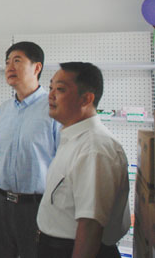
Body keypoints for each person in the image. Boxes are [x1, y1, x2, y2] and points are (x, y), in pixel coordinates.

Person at [36, 62, 129, 258]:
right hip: (54, 246)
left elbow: (90, 226)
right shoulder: (73, 138)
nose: (50, 95)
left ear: (86, 98)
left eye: (60, 89)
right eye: (50, 88)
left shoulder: (94, 149)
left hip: (72, 249)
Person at [0, 42, 60, 258]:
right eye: (7, 62)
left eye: (17, 61)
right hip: (0, 204)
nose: (10, 67)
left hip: (37, 208)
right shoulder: (4, 110)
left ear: (37, 67)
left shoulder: (54, 109)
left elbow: (65, 166)